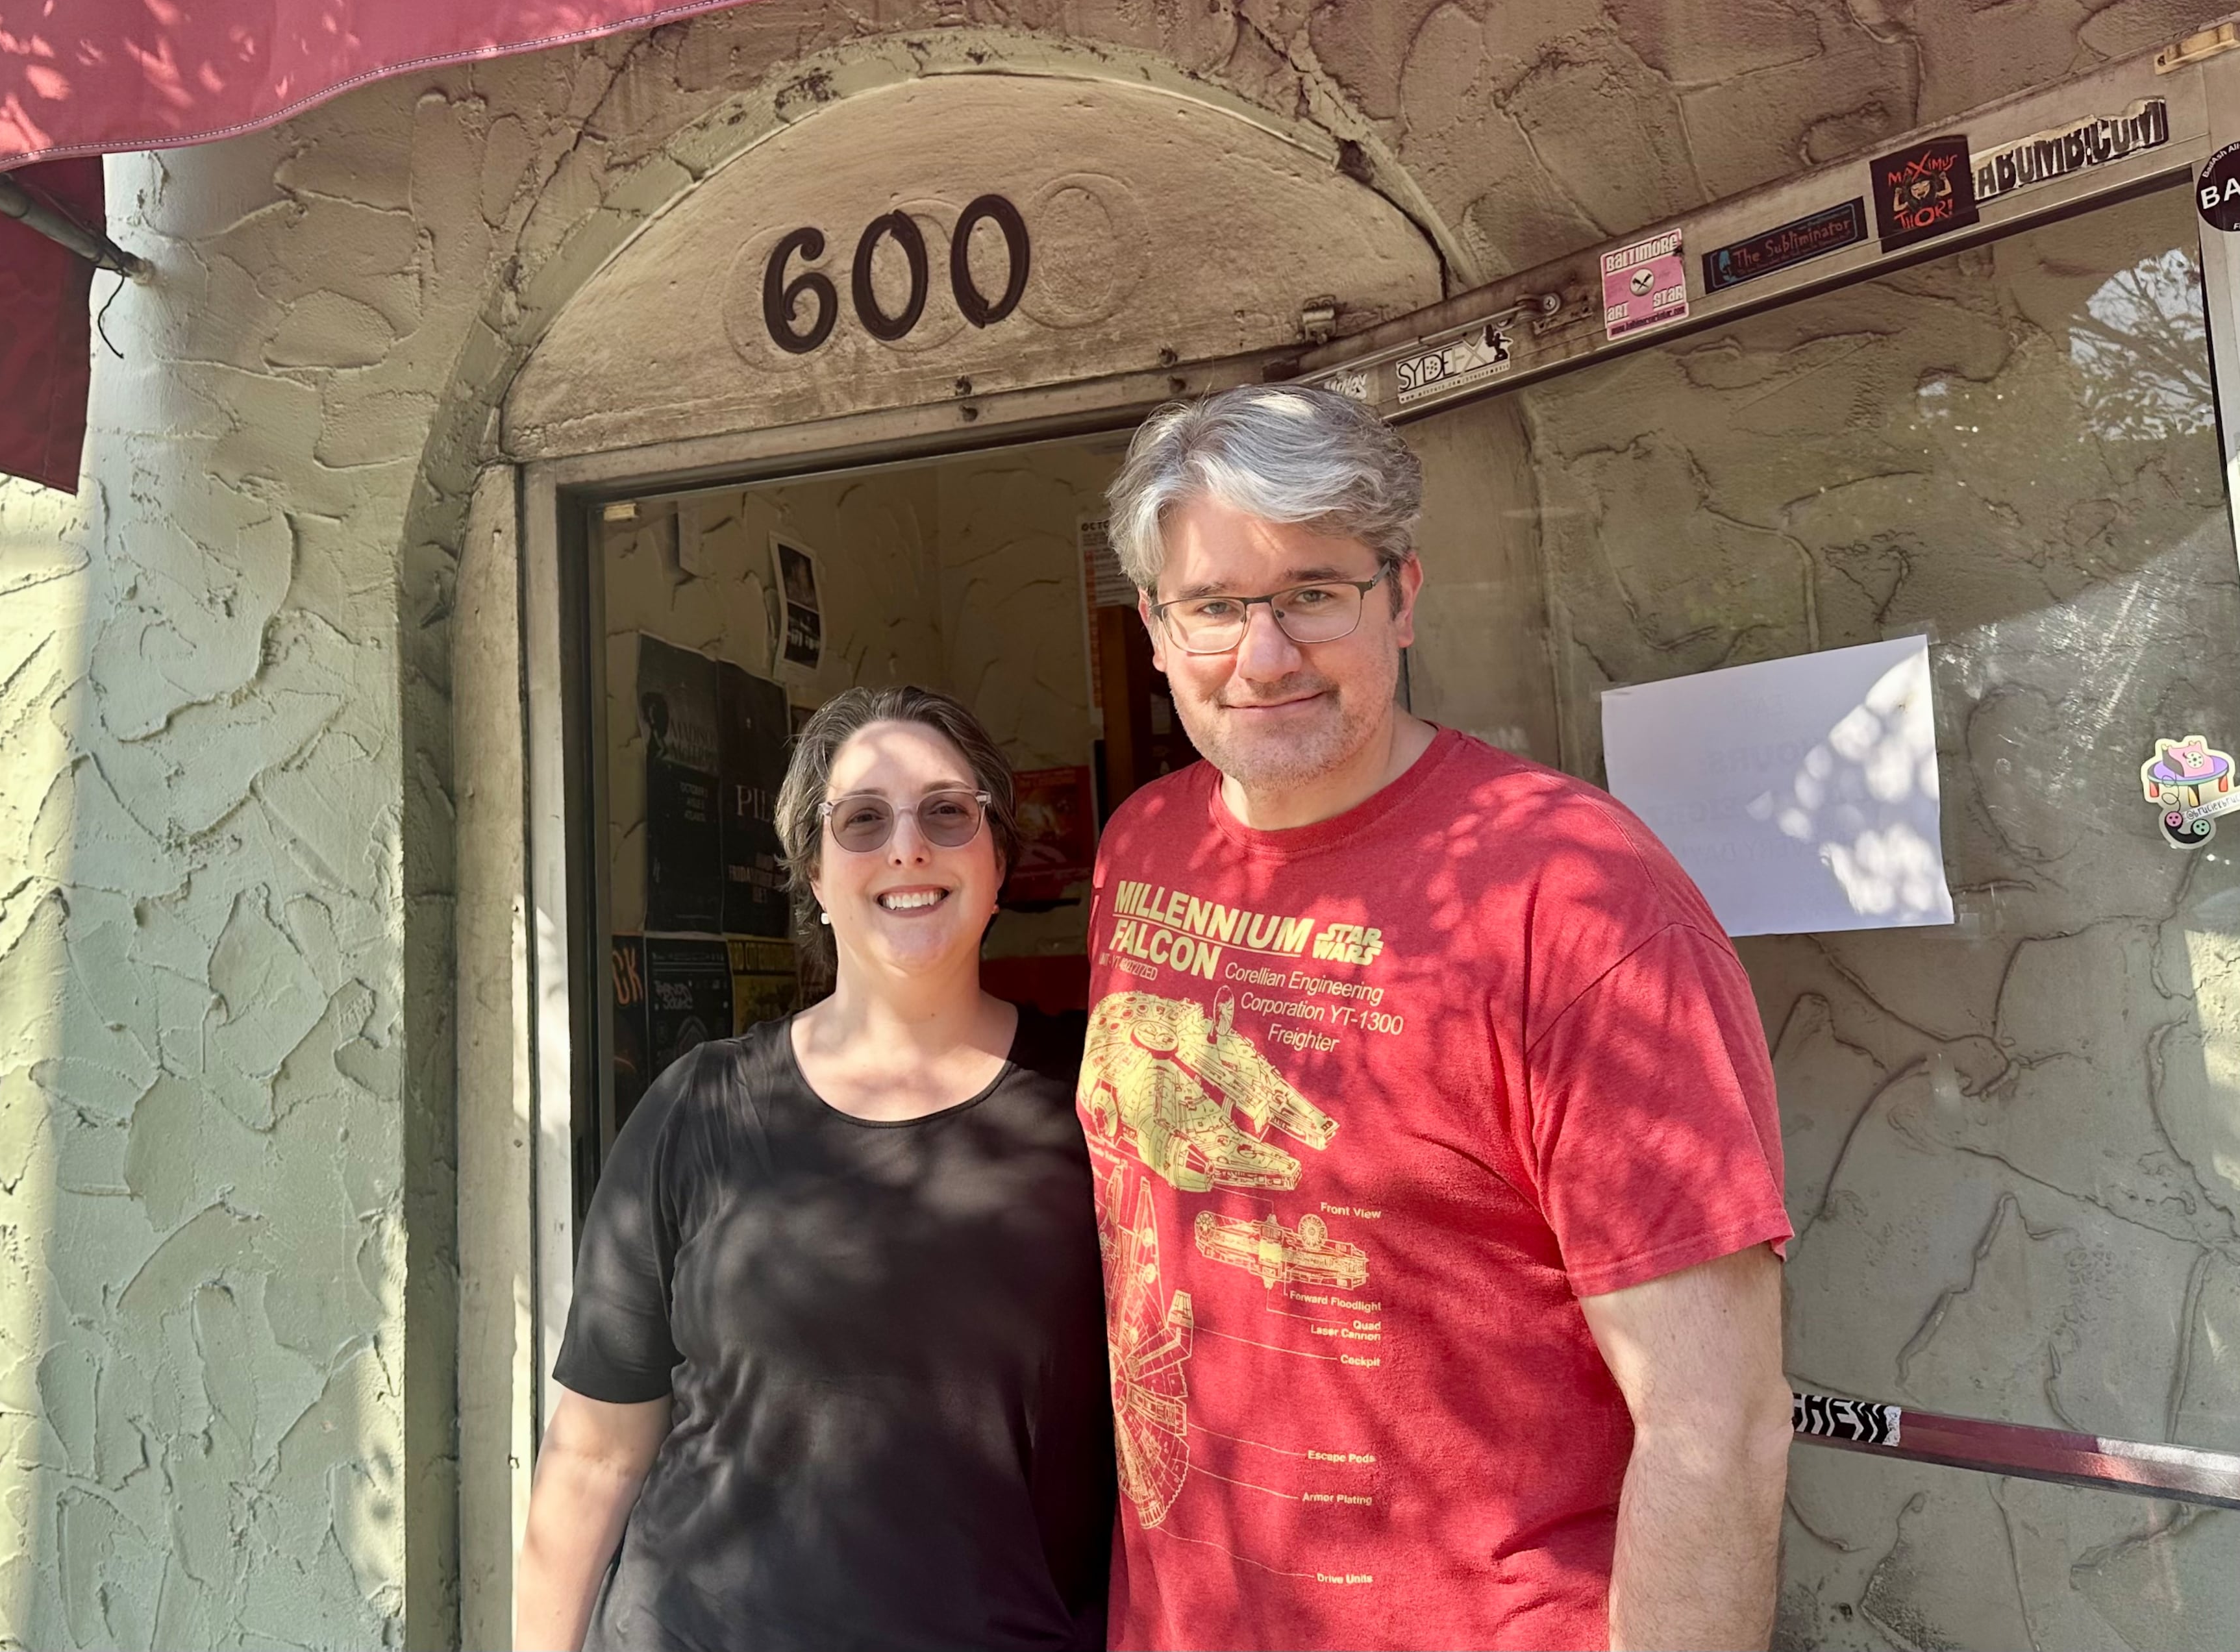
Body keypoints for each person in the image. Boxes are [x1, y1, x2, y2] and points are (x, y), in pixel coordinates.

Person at [1084, 384, 1793, 1652]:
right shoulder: (1140, 851)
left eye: (1314, 592)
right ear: (1153, 625)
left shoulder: (1580, 898)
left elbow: (1717, 1422)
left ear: (1402, 597)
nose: (1264, 656)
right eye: (1215, 606)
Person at [516, 685, 1114, 1651]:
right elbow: (593, 1452)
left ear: (999, 859)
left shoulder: (1101, 1101)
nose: (907, 847)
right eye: (862, 820)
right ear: (815, 876)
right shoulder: (697, 1108)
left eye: (947, 812)